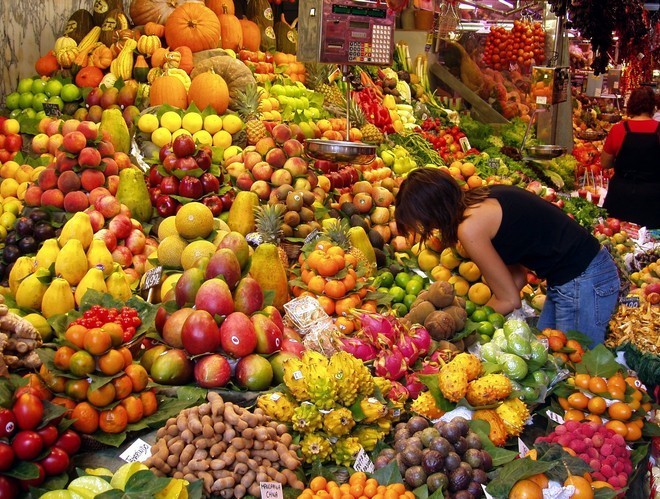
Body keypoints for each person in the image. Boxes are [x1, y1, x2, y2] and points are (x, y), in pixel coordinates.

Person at [394, 167, 620, 345]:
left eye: (424, 223)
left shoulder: (470, 227)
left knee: (577, 371)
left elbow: (509, 300)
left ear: (432, 212)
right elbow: (518, 279)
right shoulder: (484, 198)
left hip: (583, 281)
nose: (429, 229)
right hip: (576, 277)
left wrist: (464, 324)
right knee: (550, 356)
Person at [601, 86, 660, 229]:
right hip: (652, 197)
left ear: (631, 105)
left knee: (617, 238)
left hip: (621, 195)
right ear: (653, 106)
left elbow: (605, 163)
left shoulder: (618, 129)